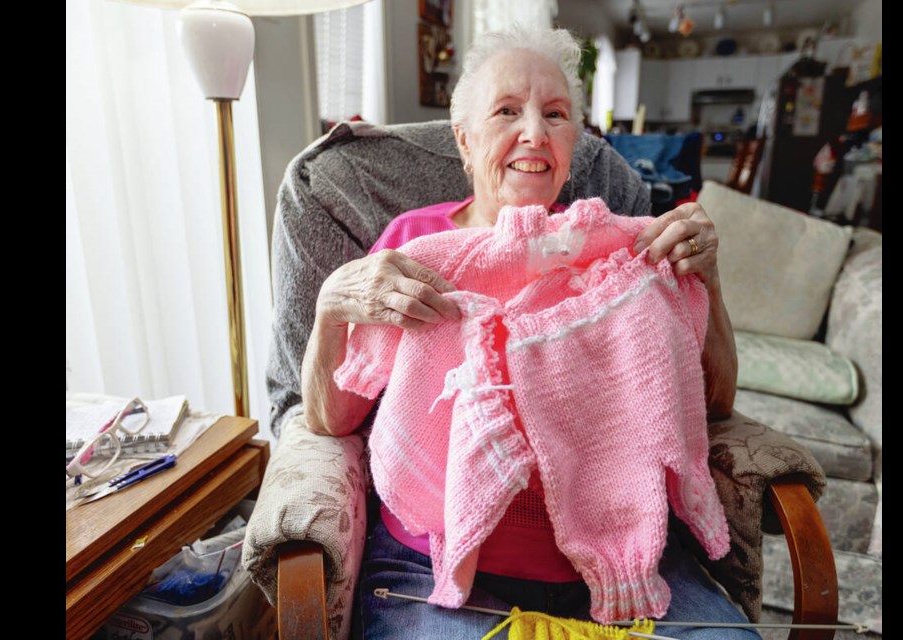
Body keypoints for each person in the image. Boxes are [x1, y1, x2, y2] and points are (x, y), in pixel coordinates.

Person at [300, 26, 754, 640]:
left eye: (556, 115)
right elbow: (333, 420)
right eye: (507, 111)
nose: (535, 132)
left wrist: (710, 283)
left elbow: (714, 404)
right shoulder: (414, 247)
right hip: (431, 567)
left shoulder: (634, 249)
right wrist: (331, 308)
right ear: (463, 141)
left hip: (622, 562)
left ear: (573, 144)